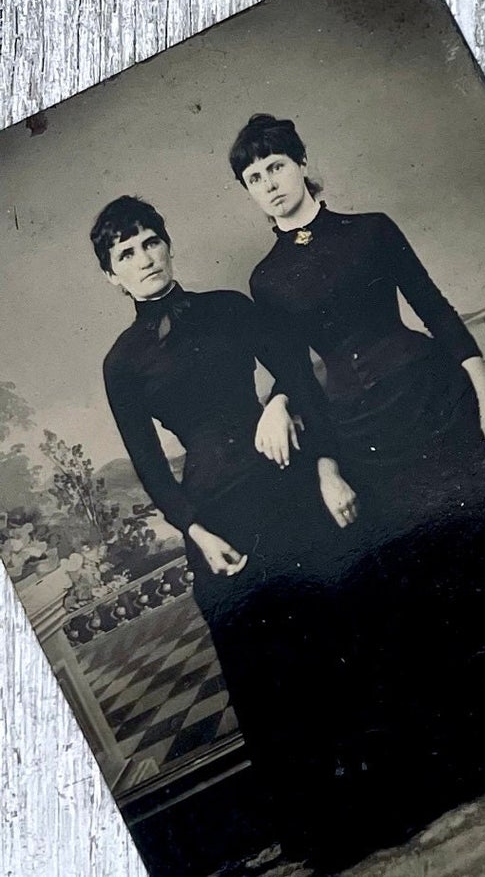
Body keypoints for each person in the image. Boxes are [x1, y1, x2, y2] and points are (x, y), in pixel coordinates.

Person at [232, 113, 485, 844]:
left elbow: (433, 308)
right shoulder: (264, 282)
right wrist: (320, 457)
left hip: (435, 401)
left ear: (302, 163)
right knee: (426, 581)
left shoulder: (370, 230)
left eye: (275, 166)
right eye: (252, 178)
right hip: (364, 439)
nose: (268, 185)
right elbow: (297, 375)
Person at [94, 196, 350, 870]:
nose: (144, 258)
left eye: (151, 241)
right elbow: (150, 465)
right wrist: (195, 532)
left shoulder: (231, 307)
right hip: (216, 521)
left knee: (331, 638)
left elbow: (297, 368)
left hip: (285, 484)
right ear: (113, 277)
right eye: (127, 253)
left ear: (169, 246)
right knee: (266, 674)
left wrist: (280, 402)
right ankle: (325, 834)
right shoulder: (121, 363)